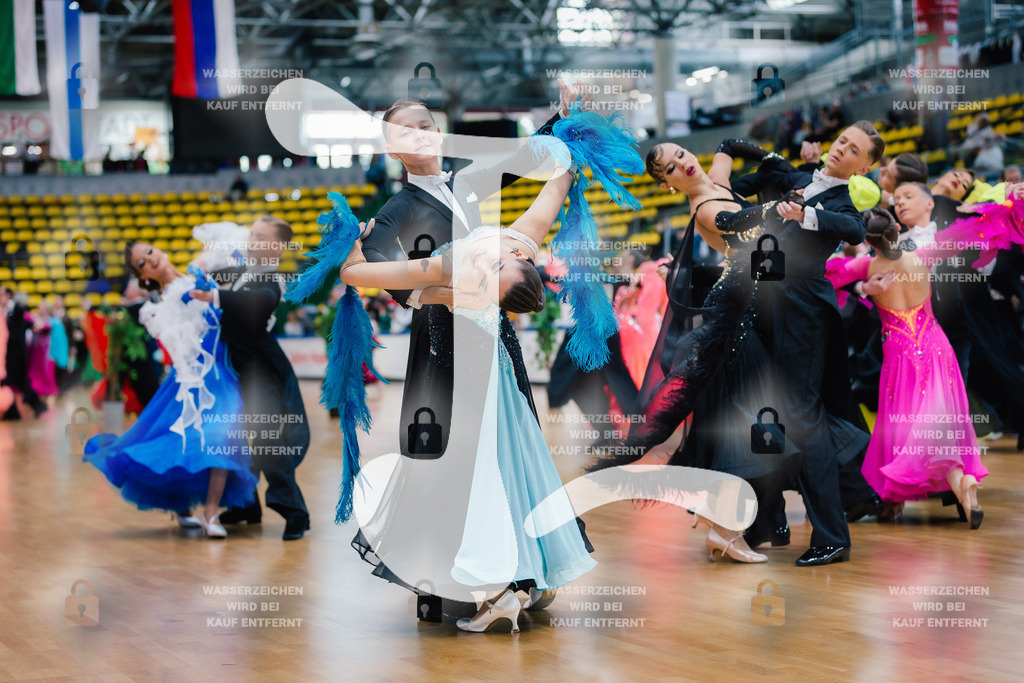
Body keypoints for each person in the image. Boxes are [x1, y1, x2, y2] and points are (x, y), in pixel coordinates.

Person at [587, 141, 812, 563]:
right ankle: (726, 529)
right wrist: (774, 206)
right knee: (745, 420)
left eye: (681, 155)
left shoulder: (720, 182)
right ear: (669, 185)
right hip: (736, 315)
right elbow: (732, 219)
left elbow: (726, 145)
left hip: (750, 307)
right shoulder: (704, 206)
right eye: (670, 169)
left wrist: (773, 158)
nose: (682, 165)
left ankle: (720, 520)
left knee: (737, 417)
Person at [724, 122, 882, 566]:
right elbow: (758, 169)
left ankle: (832, 535)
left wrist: (803, 215)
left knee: (803, 419)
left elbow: (852, 230)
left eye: (853, 150)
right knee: (767, 414)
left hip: (804, 313)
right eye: (841, 142)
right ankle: (769, 520)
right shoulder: (802, 180)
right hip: (769, 306)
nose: (842, 150)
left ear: (864, 167)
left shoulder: (843, 201)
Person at [826, 208, 993, 526]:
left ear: (867, 239)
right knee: (940, 416)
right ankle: (961, 482)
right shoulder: (924, 254)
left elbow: (822, 275)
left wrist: (862, 289)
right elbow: (971, 234)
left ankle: (902, 497)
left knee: (904, 423)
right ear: (898, 228)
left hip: (899, 352)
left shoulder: (865, 266)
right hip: (936, 346)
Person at [82, 243, 258, 537]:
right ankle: (195, 508)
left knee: (224, 435)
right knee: (184, 437)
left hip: (223, 370)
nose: (151, 259)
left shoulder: (193, 273)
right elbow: (185, 337)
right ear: (144, 274)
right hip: (194, 377)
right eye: (143, 262)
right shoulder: (169, 296)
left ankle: (209, 510)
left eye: (149, 251)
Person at [198, 216, 312, 540]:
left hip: (261, 371)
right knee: (235, 439)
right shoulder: (236, 273)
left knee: (266, 440)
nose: (251, 241)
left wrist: (215, 297)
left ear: (277, 247)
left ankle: (296, 513)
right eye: (251, 234)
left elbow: (252, 308)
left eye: (260, 237)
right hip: (232, 369)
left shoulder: (274, 283)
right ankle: (245, 506)